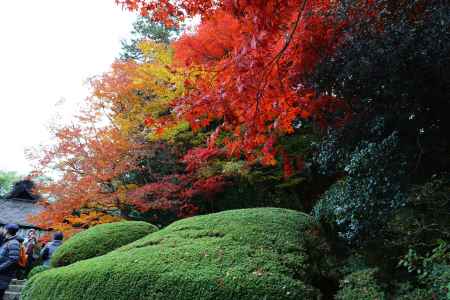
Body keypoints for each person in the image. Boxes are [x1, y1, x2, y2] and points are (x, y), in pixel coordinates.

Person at [0, 224, 20, 299]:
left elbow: (13, 259)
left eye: (4, 229)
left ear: (7, 231)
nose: (3, 230)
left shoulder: (13, 243)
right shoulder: (8, 241)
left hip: (4, 276)